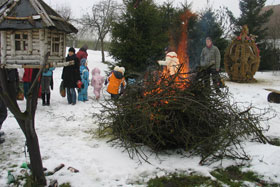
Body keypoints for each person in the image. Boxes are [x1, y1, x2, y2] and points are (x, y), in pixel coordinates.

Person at [0, 69, 18, 144]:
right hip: (2, 92)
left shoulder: (11, 67)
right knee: (3, 113)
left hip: (5, 92)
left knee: (3, 113)